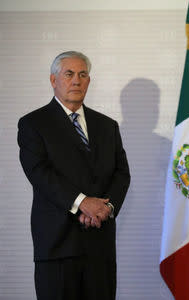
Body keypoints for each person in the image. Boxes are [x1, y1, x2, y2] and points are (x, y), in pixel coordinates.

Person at [17, 51, 130, 299]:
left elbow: (122, 173)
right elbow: (39, 172)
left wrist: (105, 207)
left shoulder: (107, 125)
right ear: (53, 80)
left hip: (99, 246)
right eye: (69, 74)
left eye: (82, 74)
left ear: (89, 80)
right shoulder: (33, 123)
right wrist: (82, 203)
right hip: (57, 245)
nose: (76, 80)